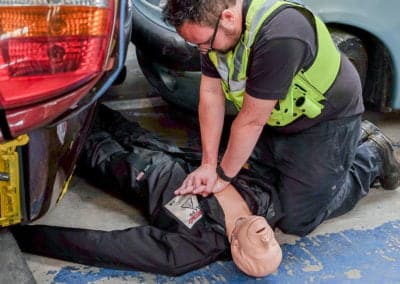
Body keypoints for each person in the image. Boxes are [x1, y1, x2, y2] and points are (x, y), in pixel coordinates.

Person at [162, 0, 400, 236]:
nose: (203, 51)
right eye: (196, 45)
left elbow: (251, 121)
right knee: (257, 179)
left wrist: (222, 175)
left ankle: (371, 155)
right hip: (278, 118)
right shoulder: (215, 33)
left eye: (204, 43)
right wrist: (208, 164)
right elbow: (211, 94)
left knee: (297, 219)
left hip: (326, 120)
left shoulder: (280, 35)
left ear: (228, 18)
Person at [12, 107, 283, 277]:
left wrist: (18, 238)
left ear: (237, 251)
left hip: (122, 165)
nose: (267, 240)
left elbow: (104, 247)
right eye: (273, 245)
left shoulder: (192, 247)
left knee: (59, 128)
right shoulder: (268, 202)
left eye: (260, 252)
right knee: (87, 103)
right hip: (159, 145)